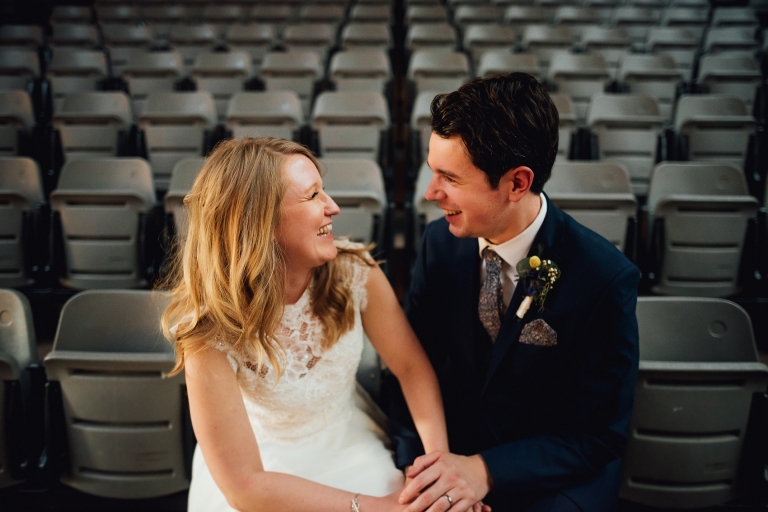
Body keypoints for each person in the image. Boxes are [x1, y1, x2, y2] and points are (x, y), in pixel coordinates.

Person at [387, 73, 641, 511]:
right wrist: (428, 470)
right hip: (449, 445)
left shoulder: (603, 278)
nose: (431, 193)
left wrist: (484, 471)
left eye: (450, 178)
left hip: (549, 473)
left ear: (517, 183)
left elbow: (599, 436)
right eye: (432, 172)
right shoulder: (439, 245)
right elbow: (410, 365)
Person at [161, 137, 457, 512]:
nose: (332, 206)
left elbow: (411, 368)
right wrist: (381, 508)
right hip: (260, 470)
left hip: (350, 444)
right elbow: (245, 486)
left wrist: (439, 468)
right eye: (313, 195)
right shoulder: (207, 330)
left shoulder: (354, 272)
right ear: (260, 222)